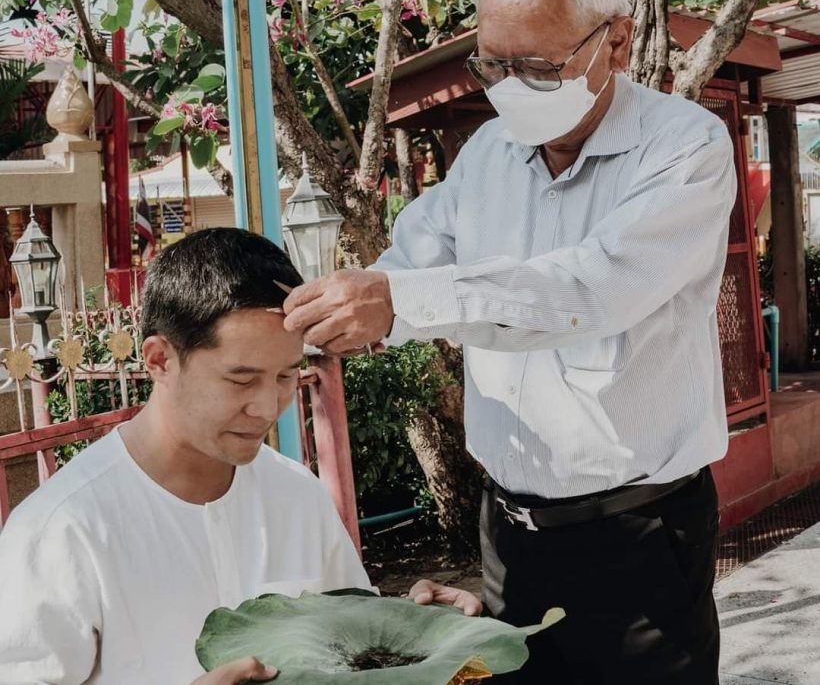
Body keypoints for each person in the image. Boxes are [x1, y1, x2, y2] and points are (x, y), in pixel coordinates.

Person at [281, 0, 737, 685]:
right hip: (509, 537)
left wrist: (398, 302)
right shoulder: (487, 156)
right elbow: (412, 261)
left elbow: (589, 289)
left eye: (537, 66)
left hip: (640, 541)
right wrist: (324, 311)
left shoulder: (683, 148)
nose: (508, 86)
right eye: (493, 63)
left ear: (616, 42)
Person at [0, 228, 480, 685]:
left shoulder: (296, 495)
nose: (267, 407)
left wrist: (420, 634)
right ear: (159, 360)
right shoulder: (61, 532)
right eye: (241, 379)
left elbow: (351, 650)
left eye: (286, 376)